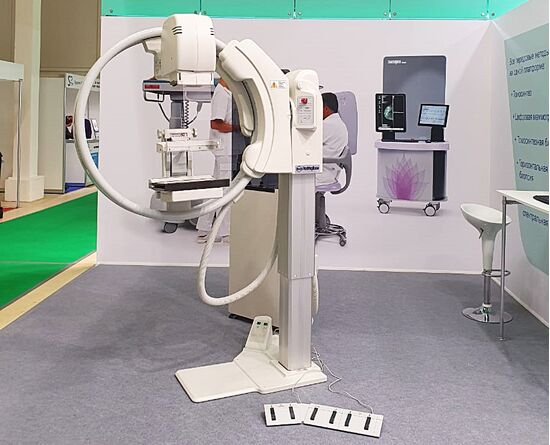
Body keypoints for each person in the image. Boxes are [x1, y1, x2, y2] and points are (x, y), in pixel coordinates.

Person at [196, 78, 236, 243]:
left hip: (226, 148)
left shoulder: (227, 92)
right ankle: (225, 233)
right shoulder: (222, 93)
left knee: (215, 189)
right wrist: (239, 128)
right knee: (226, 191)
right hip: (225, 149)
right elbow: (216, 124)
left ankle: (203, 230)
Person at [316, 92, 349, 187]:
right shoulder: (338, 123)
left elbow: (307, 143)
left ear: (326, 109)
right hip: (329, 173)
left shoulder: (328, 125)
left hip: (321, 175)